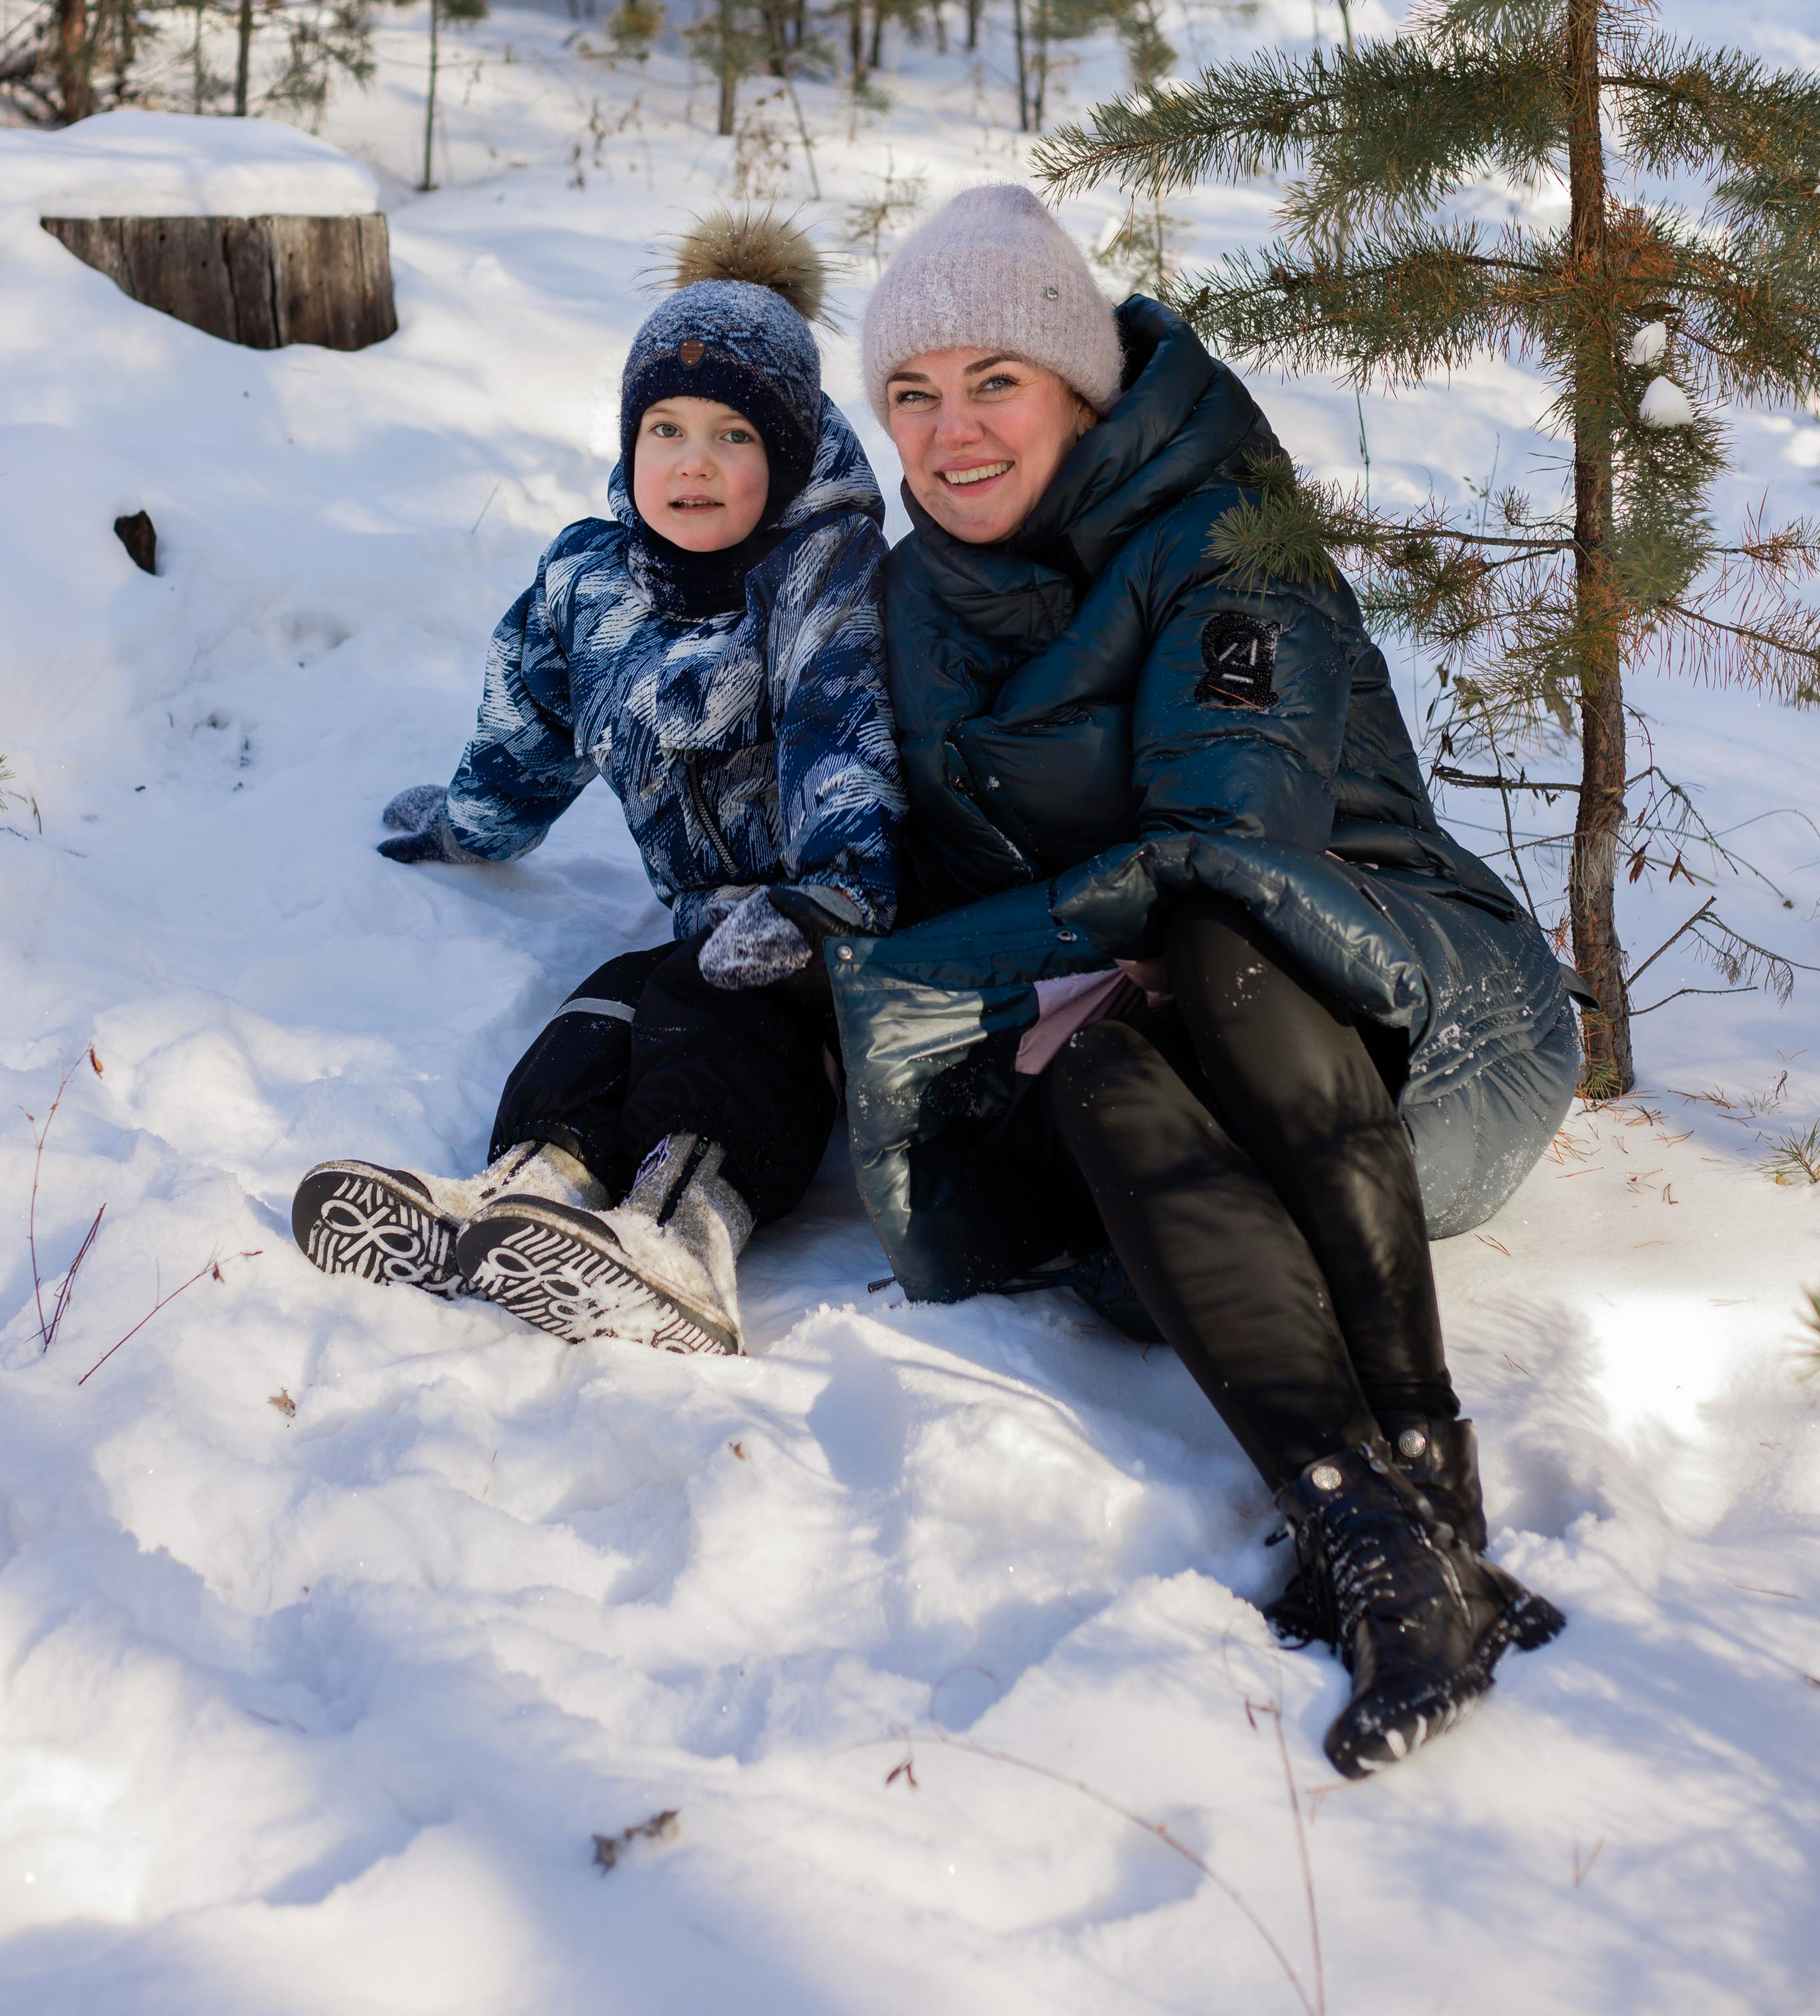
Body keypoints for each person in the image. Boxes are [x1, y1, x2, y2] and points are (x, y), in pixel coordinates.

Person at [826, 181, 1577, 1779]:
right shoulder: (910, 600)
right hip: (1138, 1038)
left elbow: (1226, 839)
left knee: (1219, 941)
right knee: (1089, 1058)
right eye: (910, 395)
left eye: (992, 384)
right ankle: (1368, 1536)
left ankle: (1432, 1466)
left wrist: (938, 973)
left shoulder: (1228, 535)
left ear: (1081, 392)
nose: (948, 434)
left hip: (1402, 1022)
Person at [292, 210, 901, 1356]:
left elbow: (846, 747)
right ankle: (525, 1189)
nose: (693, 463)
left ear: (790, 450)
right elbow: (522, 742)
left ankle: (684, 1232)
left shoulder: (828, 577)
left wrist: (828, 898)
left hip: (831, 940)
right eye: (665, 429)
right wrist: (458, 827)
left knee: (711, 1015)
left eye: (733, 435)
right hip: (701, 931)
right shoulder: (590, 582)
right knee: (607, 1005)